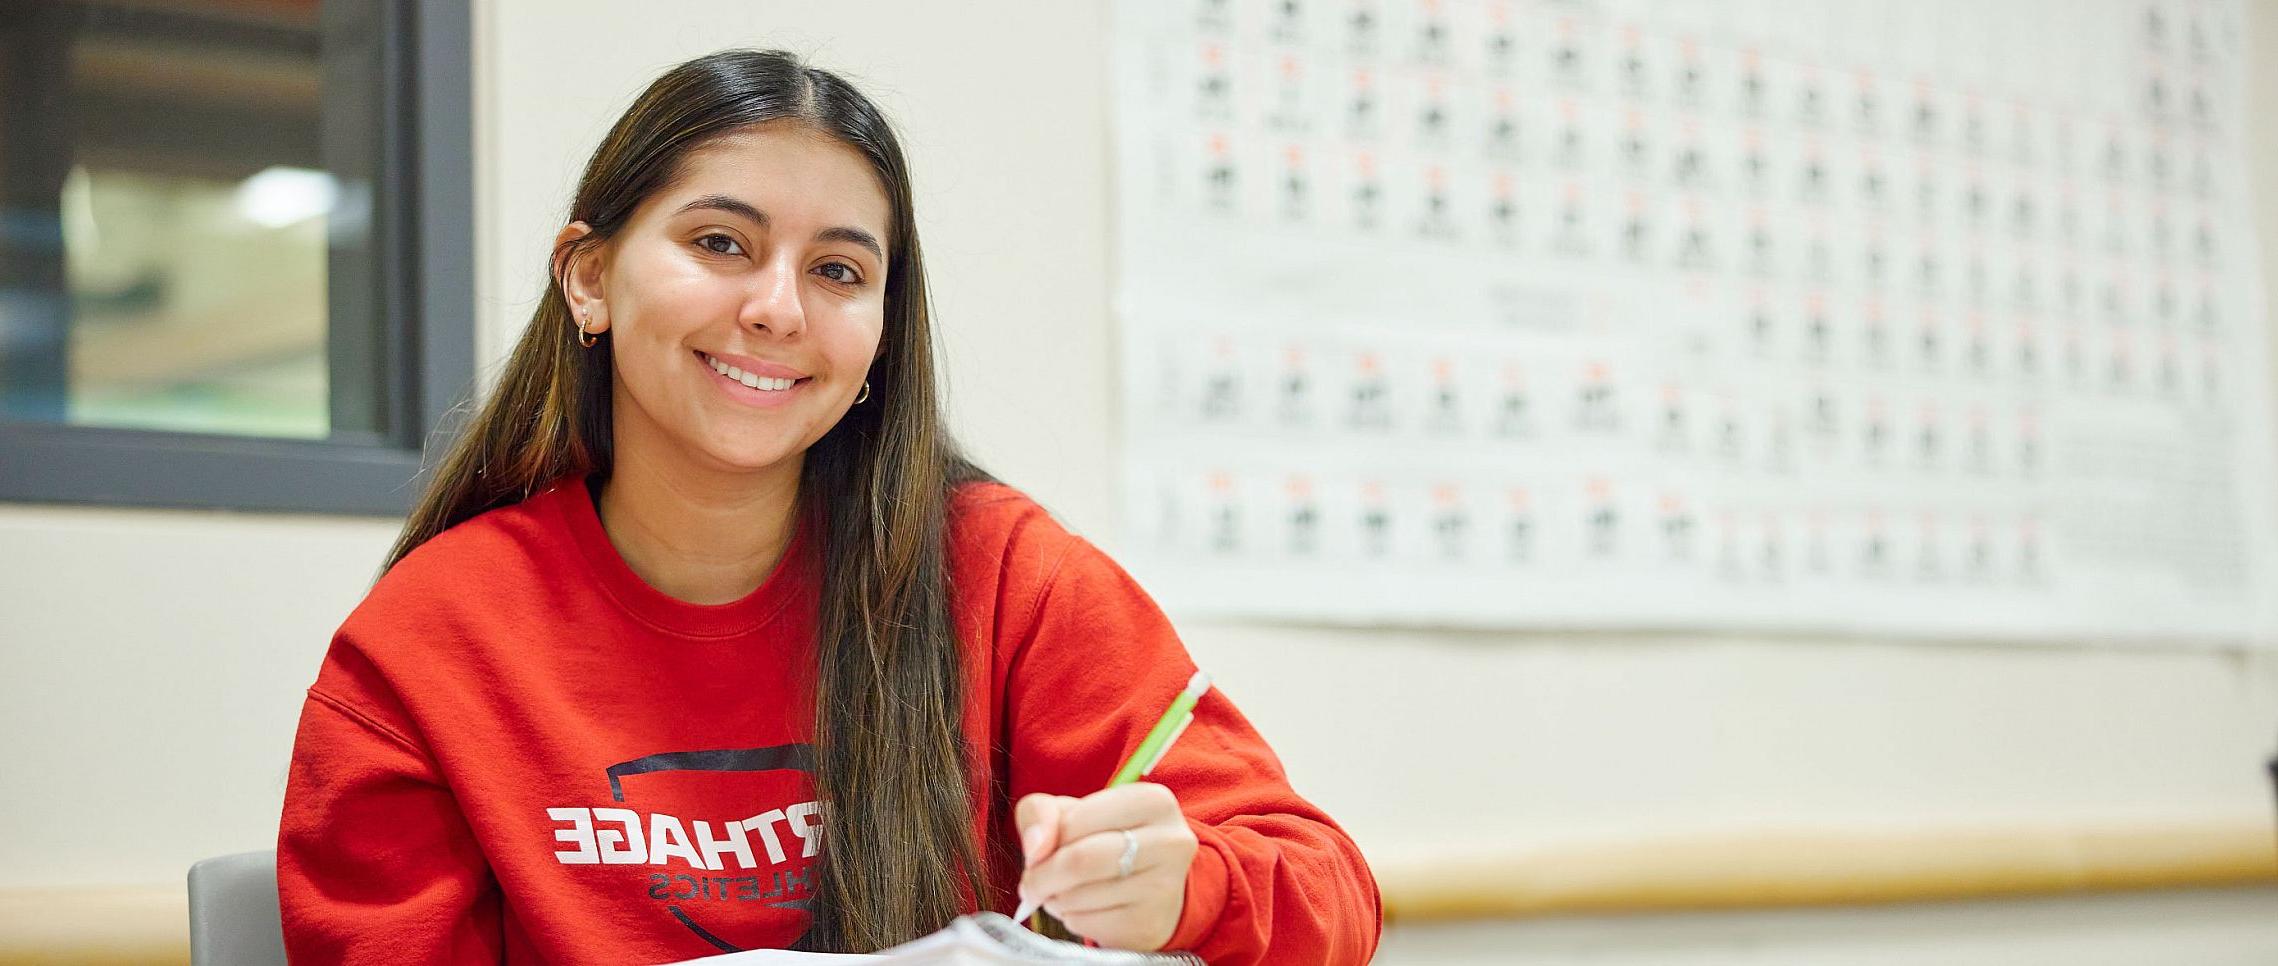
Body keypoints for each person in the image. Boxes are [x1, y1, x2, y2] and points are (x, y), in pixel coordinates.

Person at [276, 48, 1380, 964]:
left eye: (840, 272)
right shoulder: (428, 643)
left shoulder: (1004, 578)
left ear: (880, 339)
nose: (775, 309)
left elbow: (1330, 892)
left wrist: (1188, 891)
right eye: (721, 244)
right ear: (590, 277)